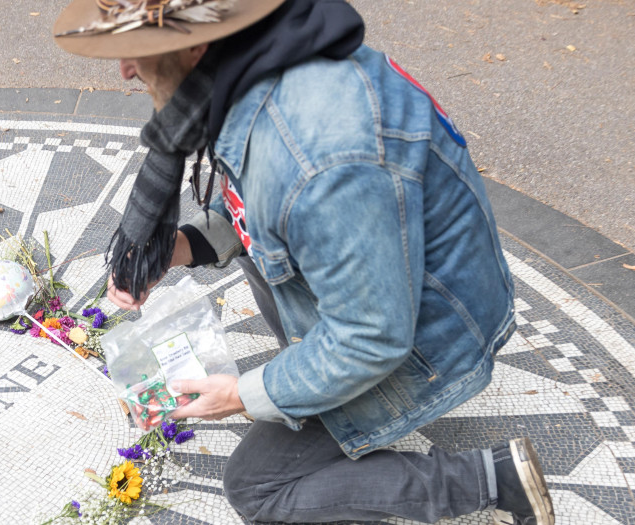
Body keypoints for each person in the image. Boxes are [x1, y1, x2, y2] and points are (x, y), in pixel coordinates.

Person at [53, 1, 554, 524]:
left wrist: (243, 394)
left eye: (137, 51)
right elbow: (264, 202)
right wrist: (181, 248)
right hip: (408, 276)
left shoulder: (317, 158)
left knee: (257, 488)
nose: (126, 69)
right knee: (270, 280)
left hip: (431, 335)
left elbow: (371, 337)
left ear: (197, 44)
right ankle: (317, 376)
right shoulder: (261, 62)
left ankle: (492, 479)